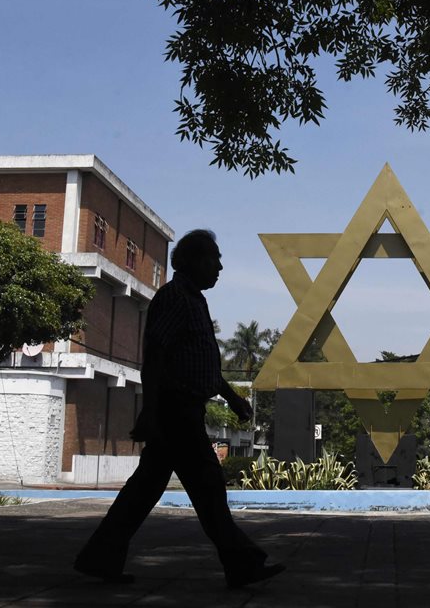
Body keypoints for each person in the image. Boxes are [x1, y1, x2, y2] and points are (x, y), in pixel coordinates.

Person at [74, 229, 284, 589]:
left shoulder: (195, 300)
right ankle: (241, 562)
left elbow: (197, 363)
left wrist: (231, 397)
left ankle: (100, 557)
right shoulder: (175, 297)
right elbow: (156, 356)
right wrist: (151, 410)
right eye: (213, 258)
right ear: (192, 261)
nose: (219, 266)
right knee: (207, 487)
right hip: (176, 411)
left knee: (147, 490)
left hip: (183, 409)